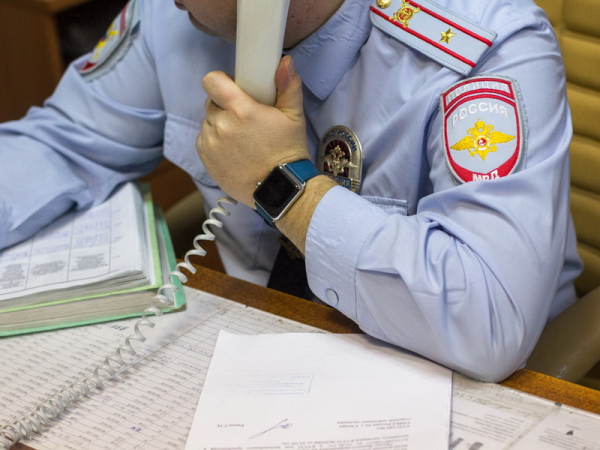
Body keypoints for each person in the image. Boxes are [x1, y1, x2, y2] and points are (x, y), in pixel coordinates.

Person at [0, 0, 582, 382]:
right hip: (250, 361)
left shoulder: (486, 45)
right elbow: (63, 143)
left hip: (447, 383)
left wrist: (282, 185)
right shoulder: (175, 16)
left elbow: (486, 319)